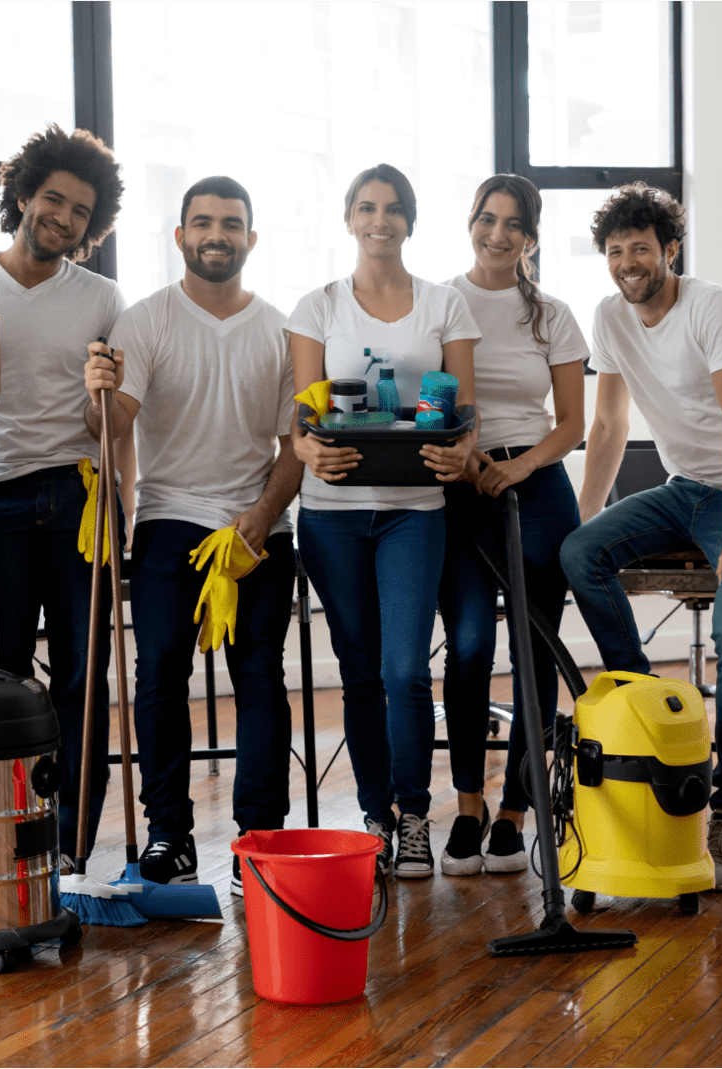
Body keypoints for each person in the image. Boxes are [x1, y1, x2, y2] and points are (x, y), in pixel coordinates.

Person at [559, 182, 722, 892]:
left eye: (640, 247)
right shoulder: (610, 317)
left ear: (669, 250)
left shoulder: (712, 307)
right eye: (615, 250)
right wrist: (588, 515)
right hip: (684, 486)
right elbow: (607, 426)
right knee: (578, 553)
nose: (627, 261)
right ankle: (647, 696)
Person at [83, 176, 300, 895]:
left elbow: (294, 444)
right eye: (202, 222)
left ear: (251, 238)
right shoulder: (144, 322)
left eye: (231, 224)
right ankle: (169, 834)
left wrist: (262, 519)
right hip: (169, 514)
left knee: (260, 673)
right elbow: (113, 426)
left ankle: (258, 838)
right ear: (179, 236)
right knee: (161, 665)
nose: (217, 234)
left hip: (255, 517)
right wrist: (97, 397)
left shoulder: (278, 330)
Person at [288, 164, 480, 878]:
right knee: (360, 670)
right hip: (332, 512)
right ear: (347, 218)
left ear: (410, 221)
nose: (380, 219)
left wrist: (459, 447)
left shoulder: (443, 305)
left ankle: (414, 814)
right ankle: (376, 813)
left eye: (394, 208)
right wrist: (307, 446)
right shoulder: (319, 306)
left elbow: (466, 409)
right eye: (367, 207)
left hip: (413, 511)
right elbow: (305, 414)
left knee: (405, 668)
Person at [0, 124, 126, 859]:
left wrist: (108, 399)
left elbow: (110, 417)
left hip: (74, 500)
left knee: (79, 683)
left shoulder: (101, 297)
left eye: (80, 212)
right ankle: (4, 841)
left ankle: (69, 849)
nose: (63, 217)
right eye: (53, 199)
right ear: (24, 195)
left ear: (91, 228)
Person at [435, 175, 588, 876]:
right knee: (467, 648)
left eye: (513, 224)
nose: (498, 234)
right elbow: (432, 407)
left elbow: (573, 425)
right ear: (471, 222)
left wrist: (519, 466)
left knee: (535, 651)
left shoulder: (551, 315)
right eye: (487, 219)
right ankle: (467, 806)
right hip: (461, 487)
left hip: (536, 485)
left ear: (531, 237)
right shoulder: (439, 303)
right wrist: (471, 467)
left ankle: (515, 811)